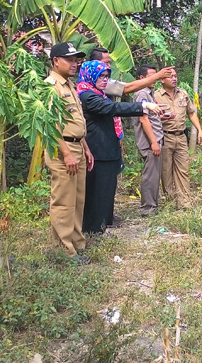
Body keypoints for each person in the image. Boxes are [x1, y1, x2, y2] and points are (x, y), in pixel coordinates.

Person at [77, 60, 162, 234]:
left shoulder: (97, 93)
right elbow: (113, 107)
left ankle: (103, 224)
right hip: (97, 150)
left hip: (106, 149)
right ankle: (93, 229)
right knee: (97, 192)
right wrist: (143, 105)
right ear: (90, 75)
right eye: (101, 76)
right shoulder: (87, 94)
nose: (105, 80)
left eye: (107, 76)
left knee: (106, 189)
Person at [44, 42, 94, 265]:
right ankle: (64, 251)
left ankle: (77, 243)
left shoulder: (70, 86)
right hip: (61, 148)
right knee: (64, 201)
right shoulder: (50, 86)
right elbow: (50, 124)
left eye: (76, 60)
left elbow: (75, 121)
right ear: (56, 61)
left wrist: (85, 148)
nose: (75, 64)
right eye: (70, 59)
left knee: (78, 199)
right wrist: (66, 154)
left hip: (77, 147)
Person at [154, 68, 202, 209]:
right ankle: (170, 201)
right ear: (162, 80)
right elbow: (149, 117)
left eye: (176, 76)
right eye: (170, 76)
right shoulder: (156, 96)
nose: (174, 79)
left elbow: (191, 113)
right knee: (166, 171)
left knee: (183, 170)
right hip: (165, 137)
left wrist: (200, 131)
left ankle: (184, 203)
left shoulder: (183, 94)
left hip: (181, 137)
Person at [132, 64, 175, 216]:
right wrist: (154, 142)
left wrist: (163, 116)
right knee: (150, 175)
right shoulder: (142, 94)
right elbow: (144, 120)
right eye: (152, 76)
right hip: (150, 142)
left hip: (155, 140)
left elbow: (150, 116)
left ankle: (152, 205)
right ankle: (148, 208)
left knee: (154, 174)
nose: (155, 79)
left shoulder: (149, 93)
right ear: (141, 78)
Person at [89, 47, 175, 97]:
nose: (109, 66)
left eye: (109, 63)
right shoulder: (97, 82)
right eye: (106, 63)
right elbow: (127, 88)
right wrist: (157, 76)